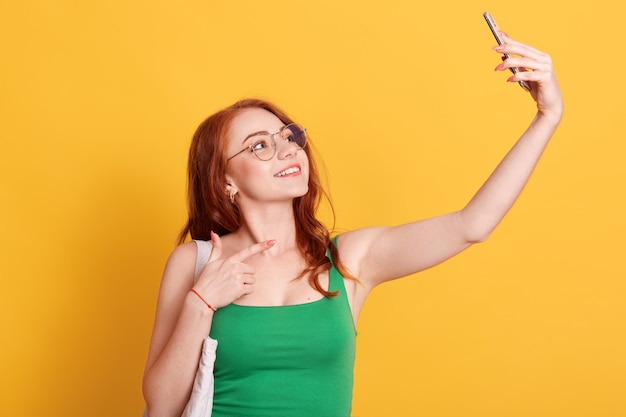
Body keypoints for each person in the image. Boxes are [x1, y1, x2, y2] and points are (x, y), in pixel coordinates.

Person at [142, 33, 563, 417]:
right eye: (260, 146)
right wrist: (201, 303)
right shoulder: (196, 262)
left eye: (288, 137)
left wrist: (547, 115)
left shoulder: (349, 260)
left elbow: (473, 225)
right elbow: (161, 407)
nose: (286, 150)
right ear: (224, 181)